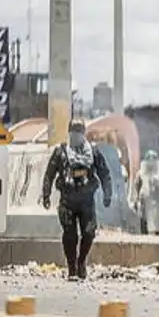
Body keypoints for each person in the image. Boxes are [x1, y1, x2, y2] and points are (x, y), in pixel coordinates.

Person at [41, 119, 113, 281]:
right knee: (70, 235)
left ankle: (81, 261)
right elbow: (49, 174)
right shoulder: (61, 152)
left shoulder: (93, 152)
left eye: (79, 131)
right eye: (73, 131)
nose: (76, 135)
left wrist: (108, 194)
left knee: (89, 233)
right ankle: (72, 266)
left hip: (87, 200)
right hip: (67, 199)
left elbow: (104, 173)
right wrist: (46, 194)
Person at [135, 150, 159, 235]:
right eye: (149, 159)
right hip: (145, 199)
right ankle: (144, 232)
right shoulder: (141, 173)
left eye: (153, 159)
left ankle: (158, 232)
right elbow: (137, 185)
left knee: (158, 218)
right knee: (144, 217)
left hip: (157, 200)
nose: (151, 161)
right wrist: (137, 198)